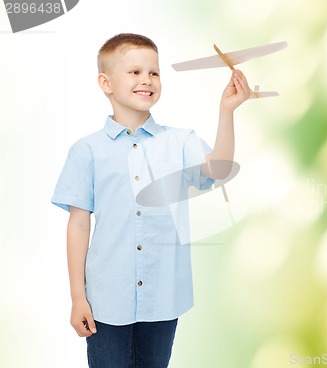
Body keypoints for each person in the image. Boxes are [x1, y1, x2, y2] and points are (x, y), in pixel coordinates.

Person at [51, 33, 251, 367]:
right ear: (106, 82)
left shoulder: (180, 141)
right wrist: (77, 297)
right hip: (106, 299)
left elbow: (218, 168)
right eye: (135, 72)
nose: (147, 80)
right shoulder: (86, 151)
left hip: (163, 298)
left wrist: (226, 111)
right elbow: (79, 224)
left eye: (154, 73)